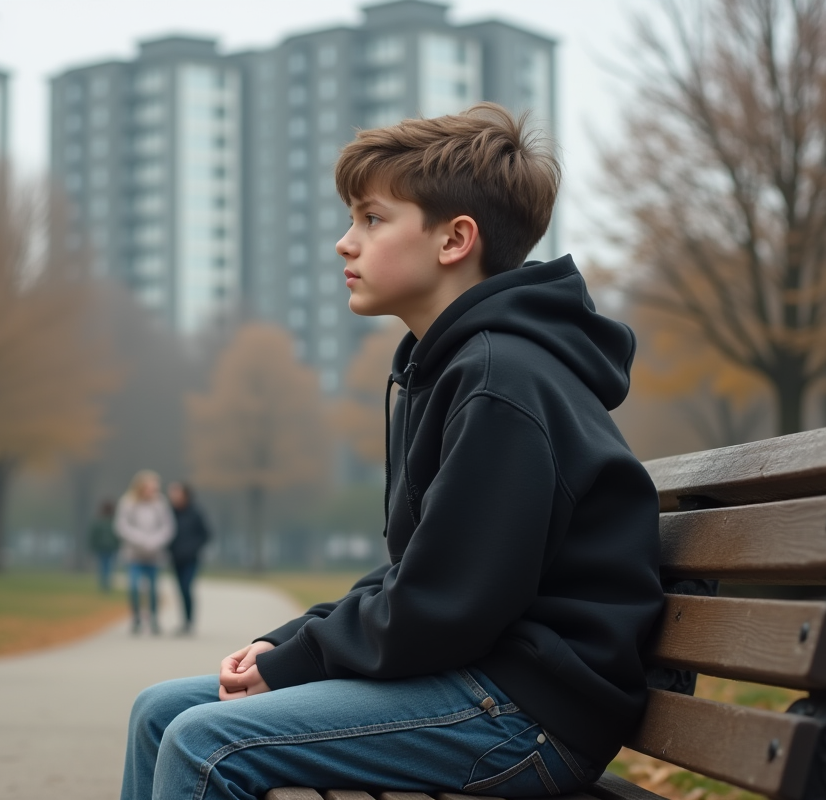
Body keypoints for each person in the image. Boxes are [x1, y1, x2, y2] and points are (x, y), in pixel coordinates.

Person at [120, 103, 664, 800]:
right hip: (477, 677)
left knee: (207, 744)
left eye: (371, 219)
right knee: (160, 711)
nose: (345, 243)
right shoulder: (449, 367)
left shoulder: (504, 381)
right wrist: (291, 643)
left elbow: (448, 604)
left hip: (526, 712)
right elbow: (416, 573)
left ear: (454, 240)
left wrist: (302, 660)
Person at [115, 470, 175, 635]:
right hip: (134, 554)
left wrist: (155, 541)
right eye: (150, 487)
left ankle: (154, 619)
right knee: (134, 587)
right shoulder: (128, 502)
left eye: (155, 488)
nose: (154, 491)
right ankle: (136, 618)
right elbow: (121, 526)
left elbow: (168, 527)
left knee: (154, 589)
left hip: (154, 555)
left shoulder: (160, 503)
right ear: (141, 487)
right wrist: (140, 539)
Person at [166, 482, 211, 635]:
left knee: (186, 587)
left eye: (176, 493)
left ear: (185, 495)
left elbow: (206, 534)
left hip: (191, 558)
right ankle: (184, 621)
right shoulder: (168, 513)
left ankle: (189, 621)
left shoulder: (195, 513)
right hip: (175, 558)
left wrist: (194, 547)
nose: (173, 496)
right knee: (180, 589)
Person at [87, 499, 120, 593]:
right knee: (109, 566)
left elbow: (93, 536)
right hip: (110, 548)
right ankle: (106, 584)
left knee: (103, 566)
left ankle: (104, 584)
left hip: (102, 548)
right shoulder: (113, 522)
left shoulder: (99, 522)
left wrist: (92, 547)